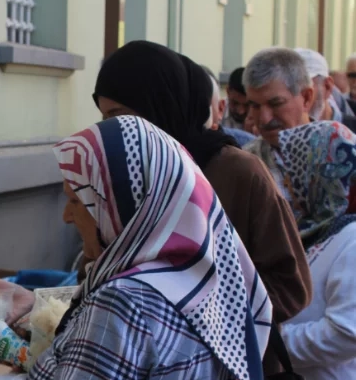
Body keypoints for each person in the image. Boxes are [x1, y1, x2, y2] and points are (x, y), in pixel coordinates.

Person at [0, 116, 272, 380]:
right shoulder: (210, 278)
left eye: (77, 201)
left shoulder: (124, 302)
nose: (66, 218)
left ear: (120, 207)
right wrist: (39, 306)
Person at [88, 41, 310, 335]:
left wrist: (191, 312)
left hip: (229, 370)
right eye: (105, 118)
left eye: (119, 116)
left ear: (160, 107)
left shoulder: (239, 173)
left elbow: (291, 286)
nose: (111, 129)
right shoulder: (125, 177)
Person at [273, 121, 356, 380]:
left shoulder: (351, 240)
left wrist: (274, 344)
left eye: (292, 174)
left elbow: (346, 332)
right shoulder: (314, 231)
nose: (287, 186)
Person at [242, 47, 315, 205]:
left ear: (307, 98)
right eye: (254, 106)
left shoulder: (341, 154)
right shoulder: (245, 166)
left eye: (276, 103)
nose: (265, 119)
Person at [295, 48, 356, 131]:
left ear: (327, 86)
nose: (296, 98)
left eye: (303, 89)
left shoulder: (352, 131)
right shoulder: (280, 136)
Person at [203, 66, 256, 147]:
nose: (240, 111)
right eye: (235, 103)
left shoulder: (259, 116)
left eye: (247, 105)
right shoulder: (215, 110)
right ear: (228, 91)